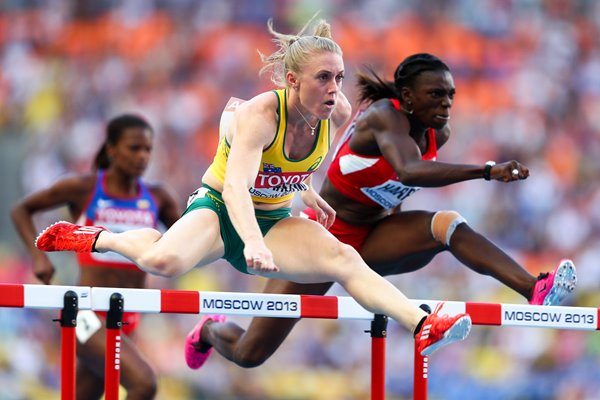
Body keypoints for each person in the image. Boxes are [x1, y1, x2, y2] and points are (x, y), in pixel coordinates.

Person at [33, 18, 472, 367]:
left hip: (273, 218)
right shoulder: (262, 114)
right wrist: (253, 242)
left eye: (338, 77)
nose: (335, 89)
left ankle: (422, 324)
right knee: (163, 260)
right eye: (323, 77)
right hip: (221, 210)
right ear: (291, 80)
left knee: (343, 258)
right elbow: (239, 189)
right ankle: (98, 237)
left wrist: (304, 188)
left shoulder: (335, 112)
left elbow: (297, 164)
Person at [174, 53, 578, 370]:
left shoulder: (441, 132)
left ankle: (534, 289)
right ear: (406, 98)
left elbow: (399, 186)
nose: (446, 104)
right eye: (436, 94)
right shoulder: (383, 116)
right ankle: (210, 332)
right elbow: (408, 169)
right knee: (250, 353)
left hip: (372, 237)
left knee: (447, 225)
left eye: (450, 95)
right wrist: (487, 171)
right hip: (323, 241)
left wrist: (395, 223)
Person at [12, 114, 181, 399]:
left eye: (148, 149)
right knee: (144, 384)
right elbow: (22, 210)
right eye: (134, 148)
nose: (143, 156)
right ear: (112, 149)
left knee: (83, 394)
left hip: (128, 316)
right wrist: (38, 257)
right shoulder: (85, 188)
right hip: (86, 313)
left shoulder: (158, 197)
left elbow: (185, 240)